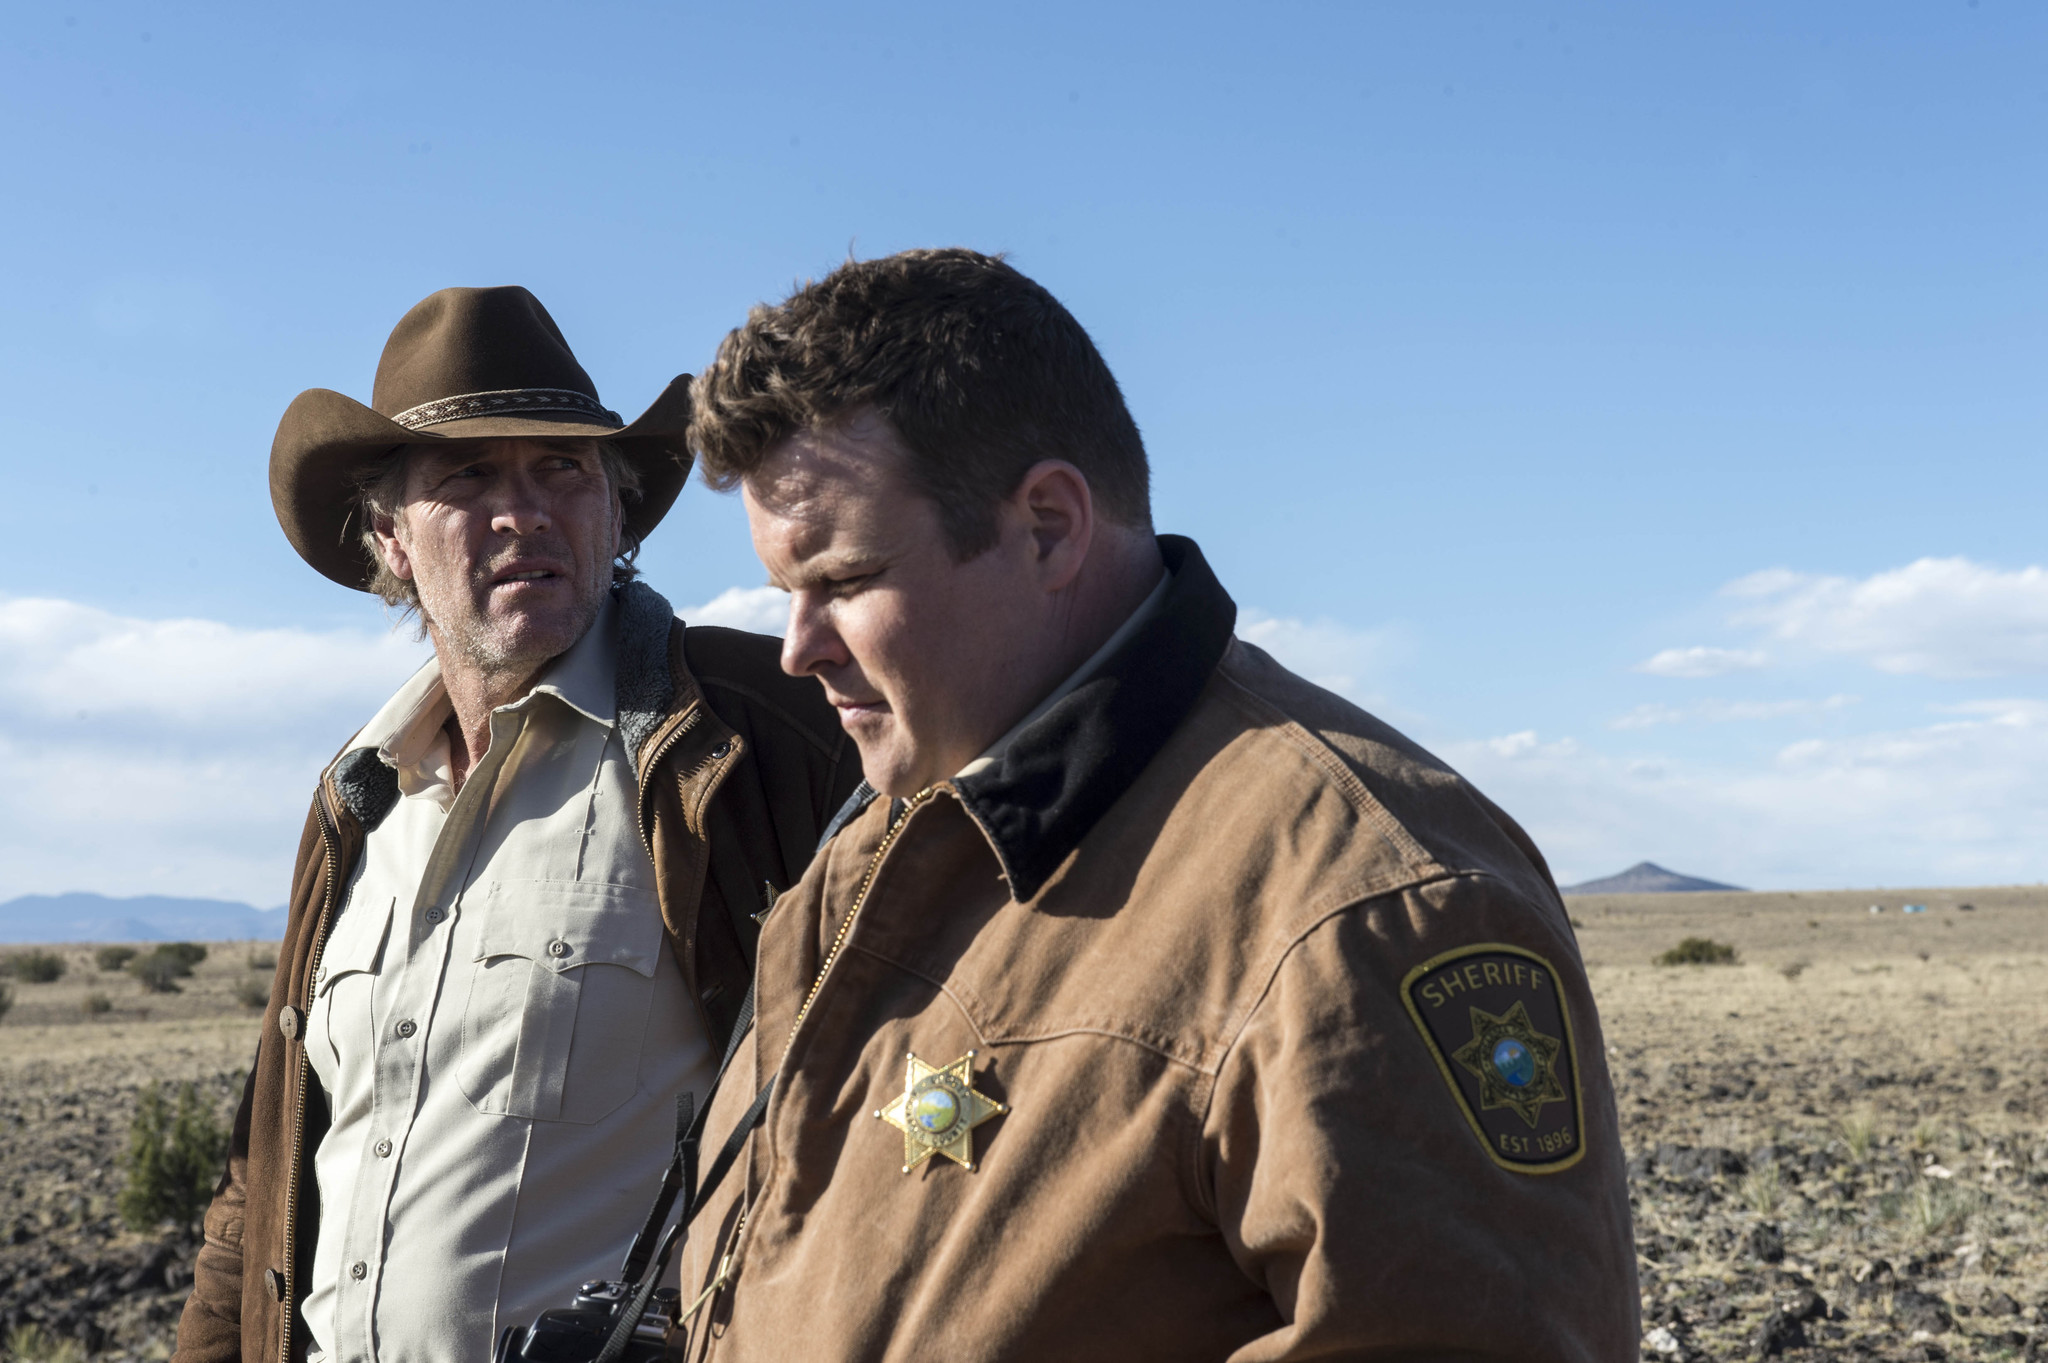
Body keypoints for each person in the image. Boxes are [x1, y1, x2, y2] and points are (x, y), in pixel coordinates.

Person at [670, 249, 1639, 1360]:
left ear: (1046, 525)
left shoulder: (1368, 901)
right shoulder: (885, 836)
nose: (796, 651)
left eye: (840, 581)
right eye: (785, 593)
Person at [172, 286, 862, 1363]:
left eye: (563, 470)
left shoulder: (747, 737)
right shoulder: (358, 797)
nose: (524, 511)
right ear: (390, 539)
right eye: (470, 475)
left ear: (616, 512)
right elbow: (261, 1183)